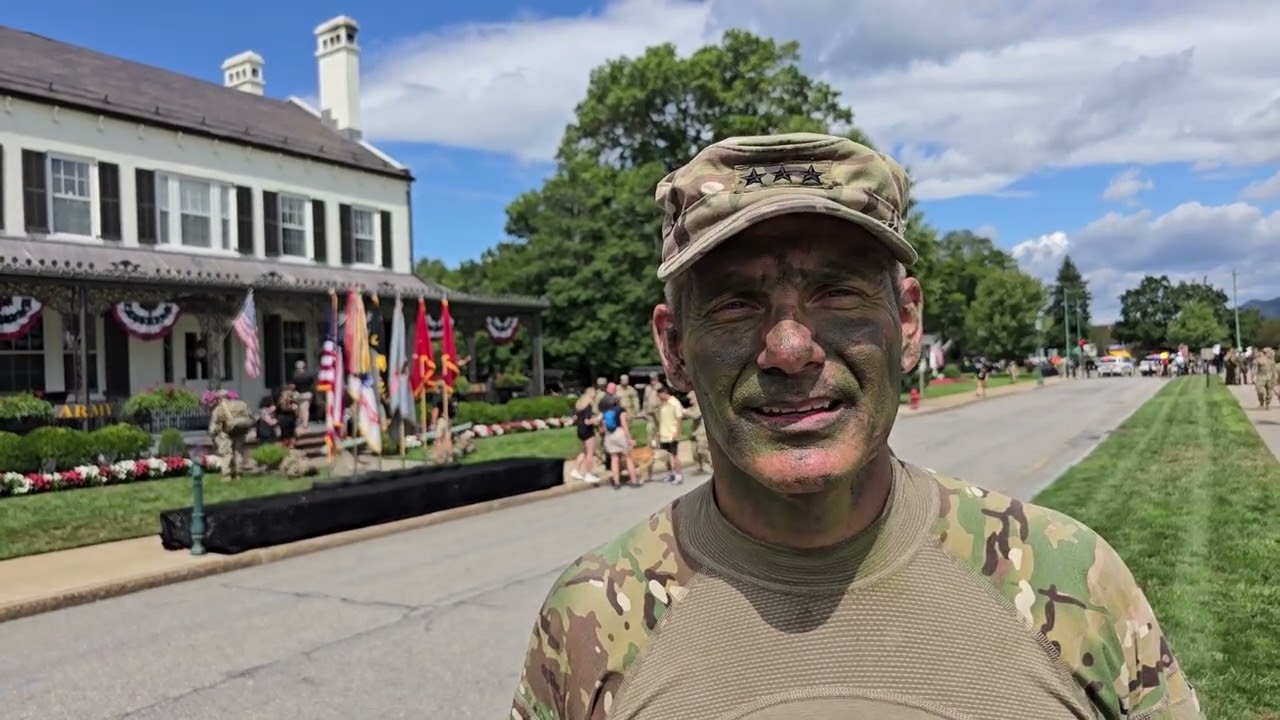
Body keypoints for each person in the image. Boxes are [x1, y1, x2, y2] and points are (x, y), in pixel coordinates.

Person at [508, 133, 1202, 719]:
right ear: (674, 348)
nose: (788, 350)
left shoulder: (1069, 577)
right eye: (734, 305)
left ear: (906, 322)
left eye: (837, 293)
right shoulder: (591, 617)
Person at [207, 389, 253, 481]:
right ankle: (238, 473)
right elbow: (250, 416)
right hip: (240, 432)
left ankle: (227, 475)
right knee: (238, 452)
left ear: (219, 398)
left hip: (225, 434)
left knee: (226, 453)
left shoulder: (219, 408)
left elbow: (215, 425)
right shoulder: (241, 404)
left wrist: (212, 434)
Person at [598, 388, 638, 489]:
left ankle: (616, 482)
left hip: (609, 435)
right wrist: (629, 439)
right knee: (628, 457)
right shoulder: (621, 410)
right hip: (620, 433)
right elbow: (624, 425)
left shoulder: (605, 411)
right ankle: (634, 480)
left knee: (614, 458)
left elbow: (602, 428)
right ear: (618, 401)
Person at [652, 384, 684, 484]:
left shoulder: (675, 403)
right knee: (666, 456)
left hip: (672, 433)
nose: (658, 398)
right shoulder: (663, 404)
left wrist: (677, 432)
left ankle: (678, 475)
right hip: (663, 434)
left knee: (674, 455)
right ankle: (670, 473)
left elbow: (679, 419)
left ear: (664, 393)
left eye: (659, 395)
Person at [569, 388, 601, 483]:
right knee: (590, 454)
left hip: (580, 430)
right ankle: (589, 474)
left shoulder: (578, 403)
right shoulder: (588, 405)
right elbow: (587, 421)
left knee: (584, 452)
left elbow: (574, 417)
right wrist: (597, 419)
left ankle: (575, 470)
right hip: (587, 431)